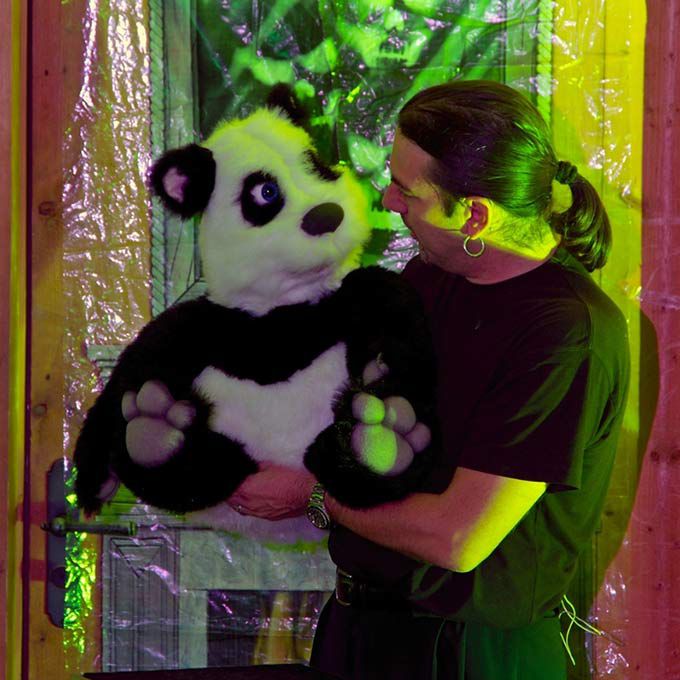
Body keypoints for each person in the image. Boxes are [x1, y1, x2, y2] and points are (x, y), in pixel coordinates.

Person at [228, 80, 631, 679]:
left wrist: (312, 493)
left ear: (474, 215)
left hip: (466, 652)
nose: (388, 199)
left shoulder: (565, 332)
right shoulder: (430, 276)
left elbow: (458, 537)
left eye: (406, 189)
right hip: (363, 629)